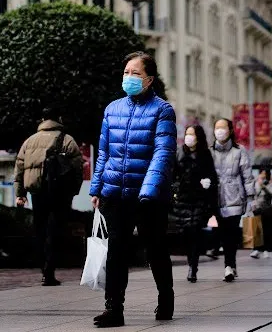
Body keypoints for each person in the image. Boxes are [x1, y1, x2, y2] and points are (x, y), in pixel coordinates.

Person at [89, 52, 176, 328]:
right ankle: (113, 308)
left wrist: (148, 191)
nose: (129, 78)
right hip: (115, 193)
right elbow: (103, 152)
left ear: (149, 80)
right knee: (116, 251)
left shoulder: (163, 110)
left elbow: (163, 153)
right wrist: (97, 187)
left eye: (135, 73)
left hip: (148, 196)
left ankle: (165, 298)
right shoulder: (112, 109)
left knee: (155, 249)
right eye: (126, 72)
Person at [14, 108, 83, 286]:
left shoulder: (29, 141)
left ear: (42, 119)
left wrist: (20, 194)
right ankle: (50, 269)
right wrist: (74, 190)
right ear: (58, 118)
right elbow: (77, 168)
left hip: (37, 192)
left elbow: (19, 168)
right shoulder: (67, 140)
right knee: (56, 230)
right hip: (60, 193)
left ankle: (43, 268)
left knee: (40, 229)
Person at [172, 125, 218, 283]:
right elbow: (173, 174)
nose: (189, 137)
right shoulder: (179, 153)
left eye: (192, 134)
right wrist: (175, 189)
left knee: (195, 231)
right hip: (182, 199)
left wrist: (208, 183)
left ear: (198, 137)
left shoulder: (205, 155)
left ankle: (193, 266)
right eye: (187, 134)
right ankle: (191, 261)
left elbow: (212, 175)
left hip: (199, 199)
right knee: (185, 233)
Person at [211, 117, 255, 282]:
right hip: (216, 198)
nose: (220, 131)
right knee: (223, 233)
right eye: (217, 127)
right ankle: (230, 264)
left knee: (231, 232)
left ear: (230, 130)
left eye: (223, 127)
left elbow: (247, 175)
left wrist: (250, 198)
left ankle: (229, 266)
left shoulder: (239, 151)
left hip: (235, 197)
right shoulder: (210, 151)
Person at [251, 170, 272, 258]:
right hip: (258, 209)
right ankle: (256, 249)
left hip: (267, 210)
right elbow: (255, 195)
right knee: (257, 230)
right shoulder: (257, 184)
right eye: (261, 174)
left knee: (266, 230)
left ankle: (266, 249)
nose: (263, 176)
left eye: (265, 174)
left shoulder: (271, 184)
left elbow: (271, 195)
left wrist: (264, 187)